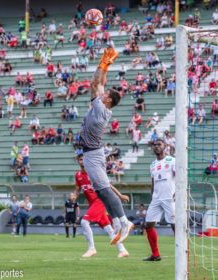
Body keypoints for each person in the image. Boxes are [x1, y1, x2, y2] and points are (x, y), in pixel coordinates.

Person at [79, 44, 133, 245]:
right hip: (94, 152)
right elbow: (100, 82)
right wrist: (107, 64)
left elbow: (94, 83)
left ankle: (124, 221)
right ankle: (118, 223)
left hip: (92, 154)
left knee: (104, 190)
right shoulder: (102, 105)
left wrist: (103, 62)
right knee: (102, 190)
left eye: (105, 93)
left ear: (108, 99)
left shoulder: (101, 108)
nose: (102, 92)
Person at [74, 154, 129, 258]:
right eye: (80, 159)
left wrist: (120, 195)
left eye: (83, 159)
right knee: (109, 229)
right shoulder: (78, 175)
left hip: (100, 201)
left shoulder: (94, 173)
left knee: (84, 221)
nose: (82, 161)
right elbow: (77, 190)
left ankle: (91, 249)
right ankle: (123, 250)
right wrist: (74, 196)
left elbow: (108, 186)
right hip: (93, 204)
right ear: (77, 161)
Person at [144, 138, 175, 261]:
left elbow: (180, 178)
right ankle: (155, 255)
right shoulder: (152, 164)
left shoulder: (172, 160)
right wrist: (152, 196)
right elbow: (153, 182)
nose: (156, 147)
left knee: (175, 226)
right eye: (154, 145)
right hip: (156, 199)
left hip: (170, 198)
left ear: (165, 146)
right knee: (148, 225)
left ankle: (183, 254)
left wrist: (178, 192)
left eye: (159, 144)